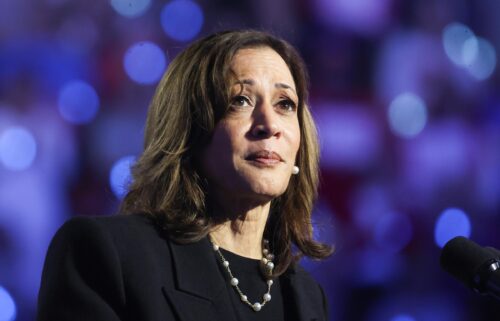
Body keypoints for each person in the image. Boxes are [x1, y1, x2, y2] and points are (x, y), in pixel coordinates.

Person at [37, 30, 333, 321]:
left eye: (285, 104)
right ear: (189, 128)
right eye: (240, 100)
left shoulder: (307, 296)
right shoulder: (106, 254)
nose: (269, 124)